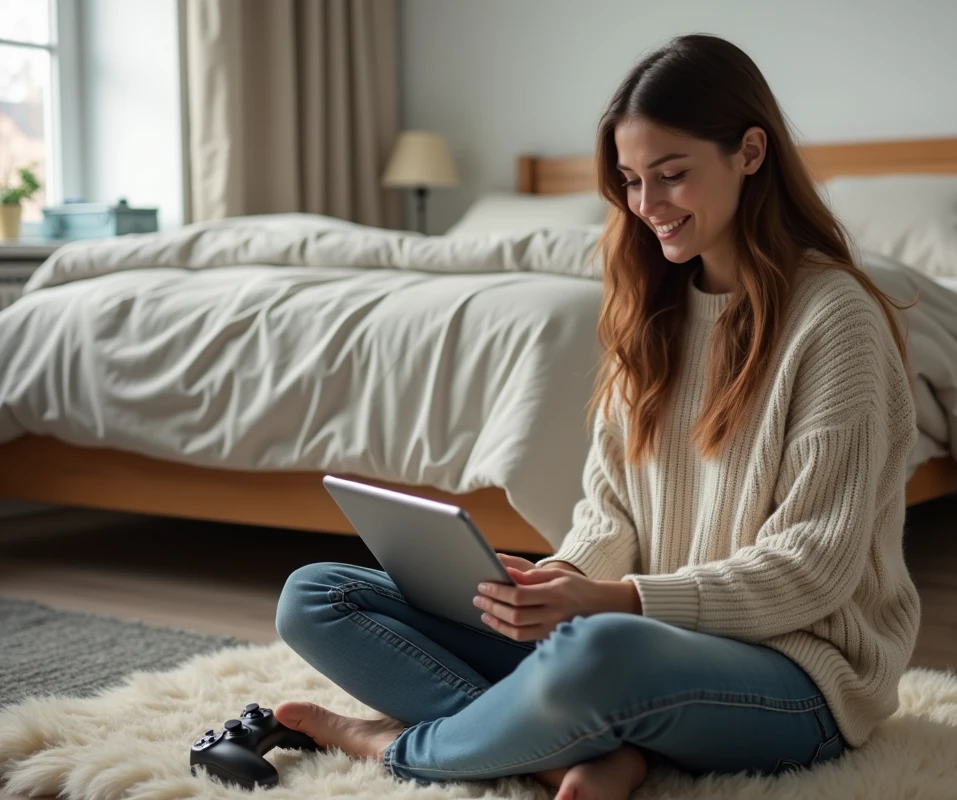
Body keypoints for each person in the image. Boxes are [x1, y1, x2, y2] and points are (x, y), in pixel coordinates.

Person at [273, 33, 919, 800]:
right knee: (318, 595)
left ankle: (394, 746)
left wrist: (610, 602)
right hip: (639, 640)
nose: (648, 207)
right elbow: (610, 509)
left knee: (598, 652)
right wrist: (562, 577)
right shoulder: (652, 308)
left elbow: (813, 568)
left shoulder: (835, 320)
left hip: (797, 675)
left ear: (750, 152)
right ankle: (558, 754)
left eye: (672, 176)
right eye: (631, 182)